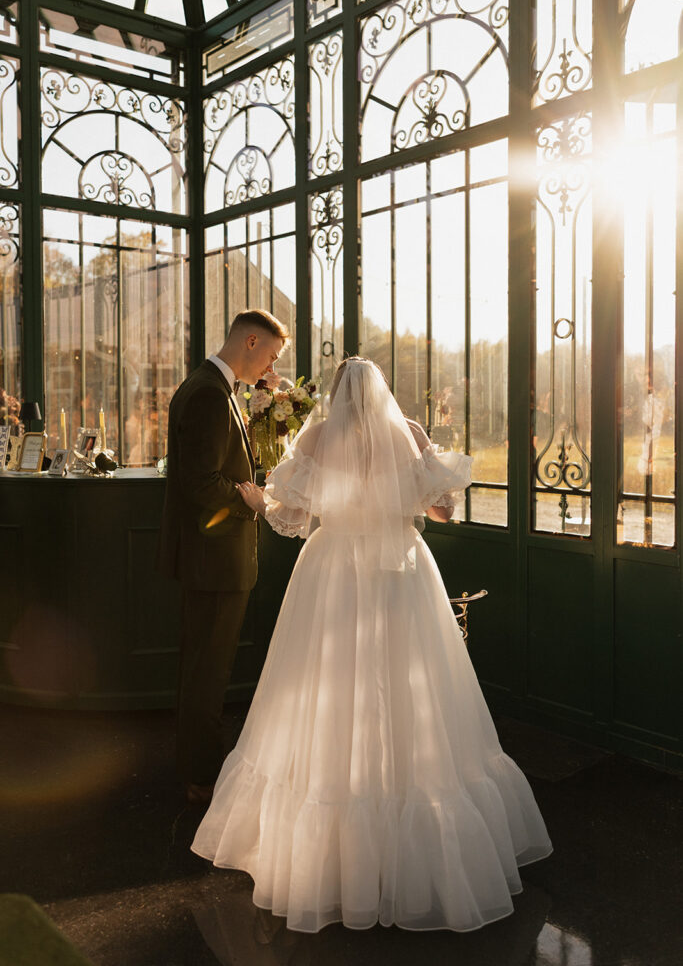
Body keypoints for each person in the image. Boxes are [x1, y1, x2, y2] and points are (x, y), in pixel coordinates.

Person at [192, 357, 552, 931]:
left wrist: (259, 503)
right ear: (383, 392)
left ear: (335, 394)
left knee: (330, 685)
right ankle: (416, 841)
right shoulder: (406, 434)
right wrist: (417, 474)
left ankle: (331, 852)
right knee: (411, 686)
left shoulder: (315, 436)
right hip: (401, 571)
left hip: (332, 570)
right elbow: (441, 508)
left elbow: (292, 515)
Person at [157, 309, 289, 805]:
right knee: (207, 673)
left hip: (209, 559)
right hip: (215, 561)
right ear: (251, 342)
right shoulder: (210, 394)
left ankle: (196, 767)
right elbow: (200, 481)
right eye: (271, 355)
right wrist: (247, 500)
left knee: (201, 668)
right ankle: (202, 779)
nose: (270, 365)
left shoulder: (209, 386)